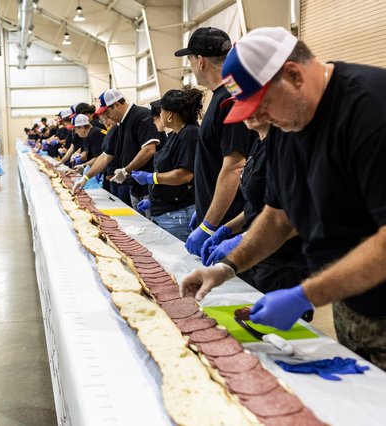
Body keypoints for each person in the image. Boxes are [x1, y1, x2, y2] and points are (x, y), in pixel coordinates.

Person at [180, 27, 386, 369]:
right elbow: (278, 215)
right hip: (352, 302)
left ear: (292, 75)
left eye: (260, 104)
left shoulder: (371, 111)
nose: (255, 118)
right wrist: (228, 267)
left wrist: (305, 295)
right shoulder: (285, 127)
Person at [199, 116, 309, 293]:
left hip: (282, 261)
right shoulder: (258, 144)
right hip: (254, 253)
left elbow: (295, 216)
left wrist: (243, 239)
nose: (247, 114)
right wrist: (226, 229)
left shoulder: (286, 147)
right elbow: (257, 205)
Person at [174, 27, 256, 256]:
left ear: (200, 61)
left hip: (227, 226)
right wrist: (203, 208)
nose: (190, 66)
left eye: (189, 60)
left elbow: (233, 167)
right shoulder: (220, 96)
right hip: (219, 217)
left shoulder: (230, 99)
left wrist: (209, 224)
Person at [131, 88, 203, 241]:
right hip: (165, 211)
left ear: (170, 114)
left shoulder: (189, 134)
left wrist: (152, 178)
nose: (159, 115)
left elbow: (184, 175)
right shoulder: (176, 134)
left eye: (161, 111)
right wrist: (154, 199)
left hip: (177, 214)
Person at [74, 89, 160, 212]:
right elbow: (105, 156)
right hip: (134, 187)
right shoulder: (120, 126)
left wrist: (126, 170)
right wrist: (86, 178)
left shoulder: (141, 116)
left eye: (107, 112)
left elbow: (149, 149)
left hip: (149, 187)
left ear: (116, 105)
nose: (107, 117)